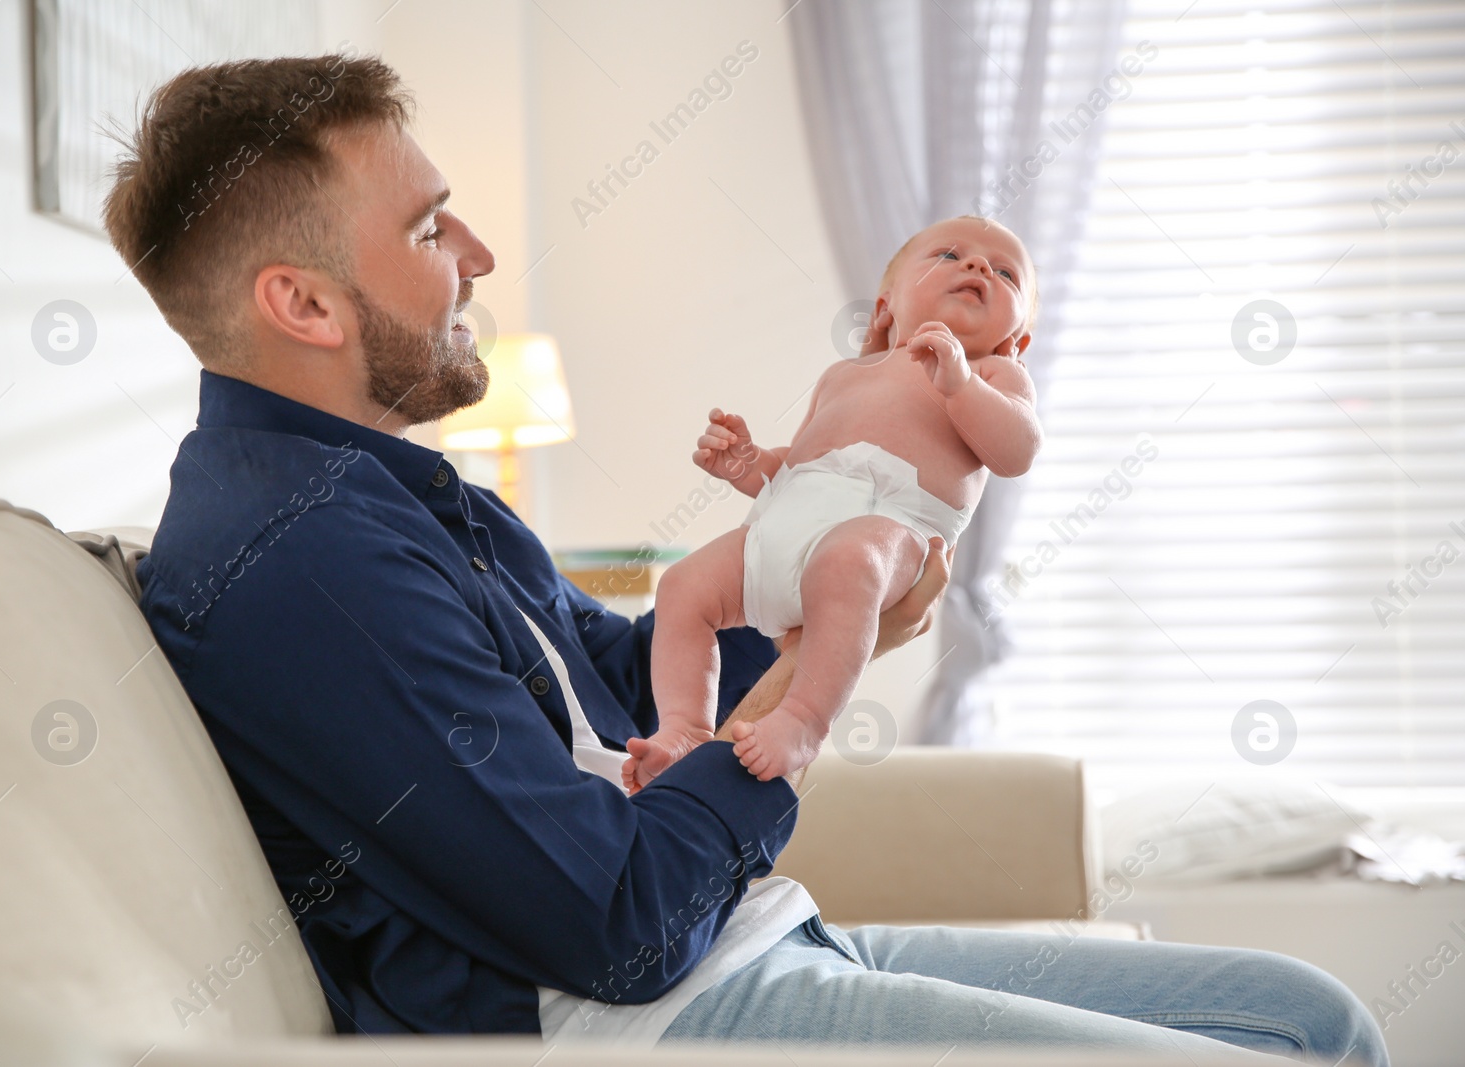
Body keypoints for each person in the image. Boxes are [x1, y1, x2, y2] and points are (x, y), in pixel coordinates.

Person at [107, 53, 1387, 1063]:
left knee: (1308, 1016)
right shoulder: (305, 564)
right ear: (308, 305)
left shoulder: (397, 488)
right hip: (651, 1018)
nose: (482, 258)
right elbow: (619, 930)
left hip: (749, 939)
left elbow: (611, 674)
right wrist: (828, 663)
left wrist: (809, 554)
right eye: (434, 228)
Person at [629, 216, 1042, 787]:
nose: (976, 267)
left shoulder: (994, 374)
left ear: (1015, 340)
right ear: (884, 310)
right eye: (949, 255)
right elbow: (798, 465)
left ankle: (800, 721)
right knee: (682, 587)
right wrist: (748, 463)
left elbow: (1016, 451)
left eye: (1004, 273)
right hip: (788, 522)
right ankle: (684, 728)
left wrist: (962, 386)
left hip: (894, 527)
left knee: (850, 560)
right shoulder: (841, 376)